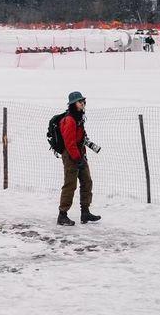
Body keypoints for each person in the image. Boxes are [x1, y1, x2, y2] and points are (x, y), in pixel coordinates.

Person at [57, 91, 101, 226]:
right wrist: (77, 159)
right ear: (73, 104)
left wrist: (82, 155)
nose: (83, 104)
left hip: (80, 154)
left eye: (83, 101)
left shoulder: (79, 118)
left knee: (87, 181)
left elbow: (79, 138)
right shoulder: (69, 120)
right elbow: (69, 143)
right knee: (70, 185)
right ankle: (62, 215)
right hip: (71, 155)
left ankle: (85, 212)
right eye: (80, 102)